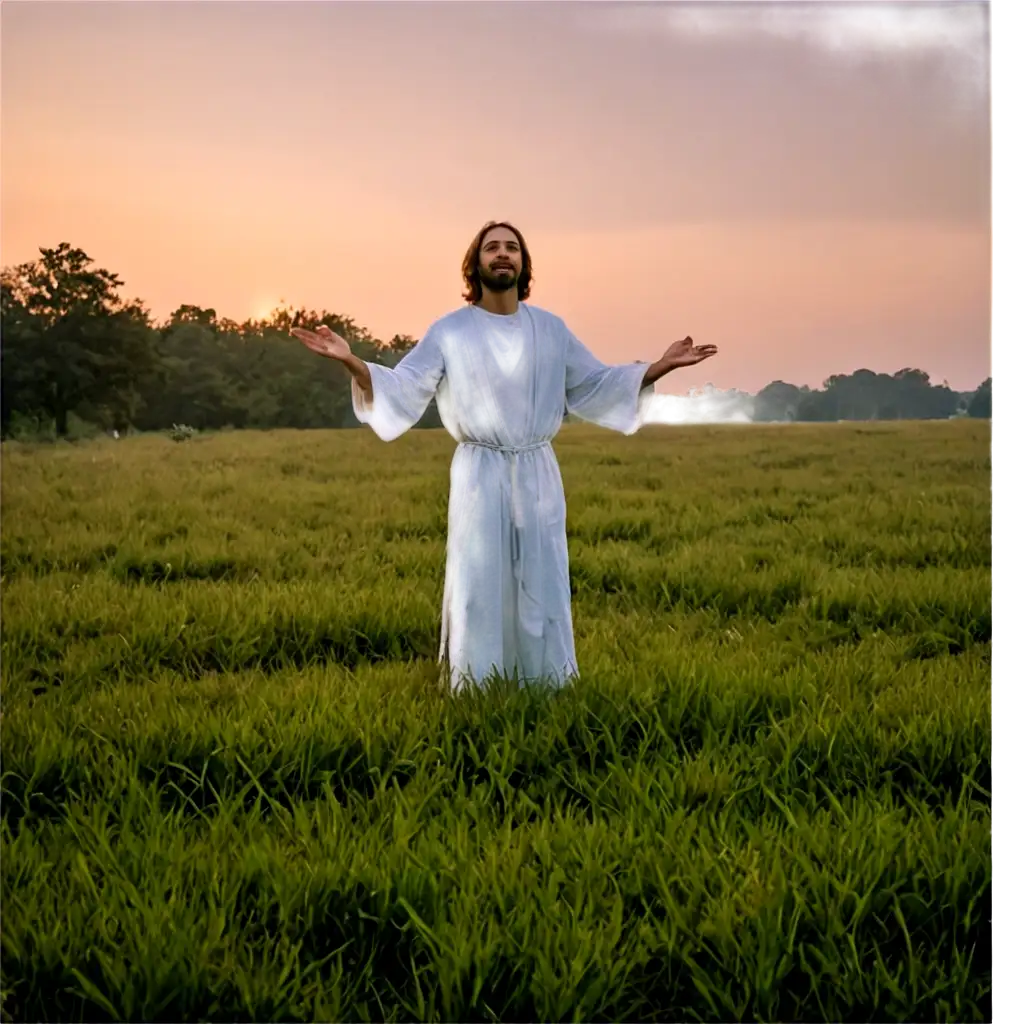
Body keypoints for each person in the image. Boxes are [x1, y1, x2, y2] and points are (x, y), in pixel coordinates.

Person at [292, 220, 717, 690]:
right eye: (492, 247)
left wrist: (658, 367)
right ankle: (476, 687)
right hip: (481, 473)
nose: (502, 254)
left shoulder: (550, 330)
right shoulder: (449, 331)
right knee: (479, 581)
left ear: (523, 263)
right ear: (475, 264)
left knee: (544, 576)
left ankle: (546, 686)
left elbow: (594, 383)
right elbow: (404, 386)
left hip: (537, 470)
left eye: (512, 248)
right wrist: (353, 361)